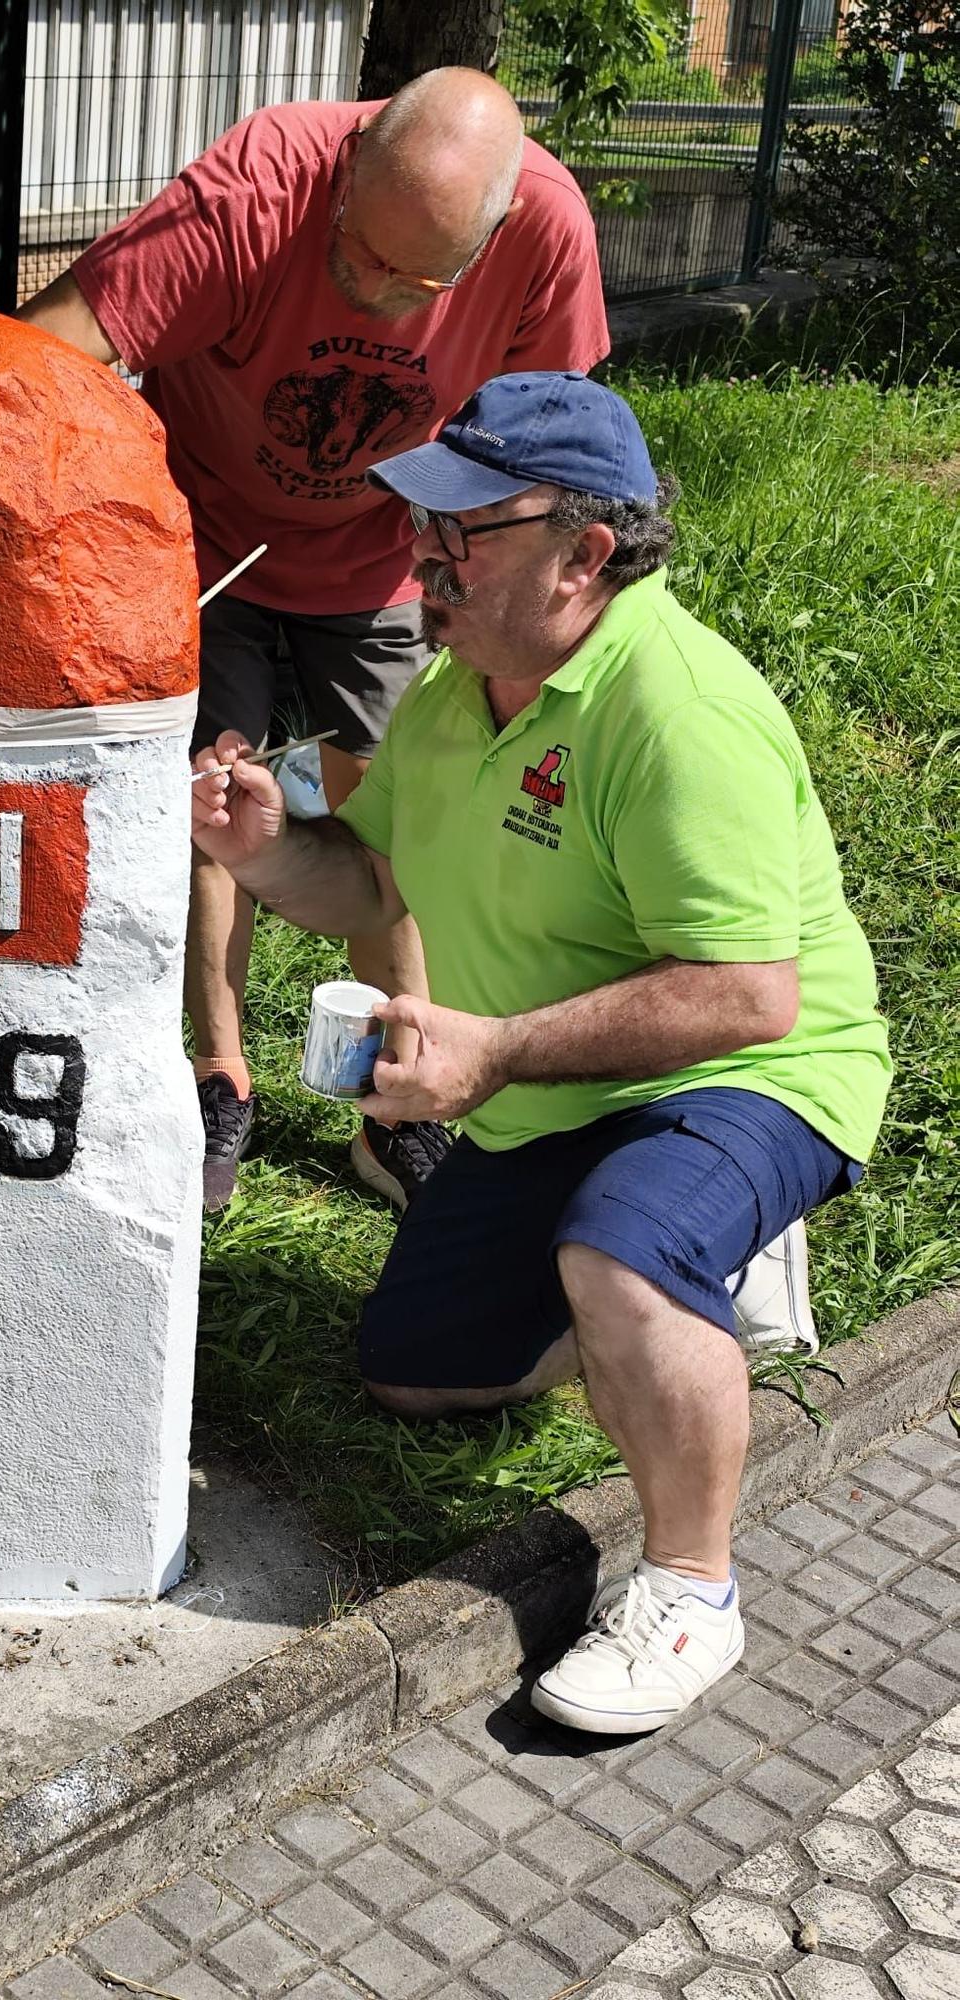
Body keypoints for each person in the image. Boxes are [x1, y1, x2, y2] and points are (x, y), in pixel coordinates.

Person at [190, 370, 891, 1733]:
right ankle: (667, 1271)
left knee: (622, 1251)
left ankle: (693, 1591)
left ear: (585, 557)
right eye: (424, 527)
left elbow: (751, 997)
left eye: (465, 535)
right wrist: (266, 846)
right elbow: (373, 884)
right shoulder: (459, 695)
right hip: (557, 1096)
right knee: (410, 1366)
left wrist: (498, 1048)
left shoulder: (680, 712)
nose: (424, 560)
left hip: (747, 1078)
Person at [18, 69, 609, 1214]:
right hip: (199, 530)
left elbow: (559, 437)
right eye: (359, 250)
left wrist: (488, 592)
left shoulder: (547, 232)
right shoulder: (258, 185)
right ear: (346, 169)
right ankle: (217, 1079)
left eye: (416, 276)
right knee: (212, 799)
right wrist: (97, 515)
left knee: (401, 818)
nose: (378, 293)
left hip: (385, 554)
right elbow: (43, 354)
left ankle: (393, 1099)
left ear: (486, 245)